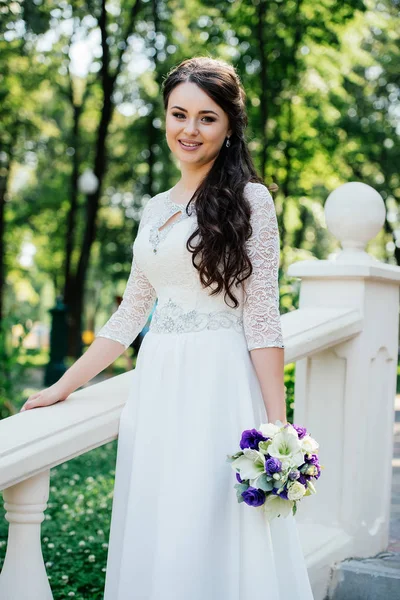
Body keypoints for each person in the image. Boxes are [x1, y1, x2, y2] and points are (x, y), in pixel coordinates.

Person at [20, 57, 314, 599]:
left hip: (218, 382)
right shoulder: (155, 208)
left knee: (211, 518)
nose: (190, 129)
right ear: (165, 118)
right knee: (162, 514)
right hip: (158, 384)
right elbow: (130, 312)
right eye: (179, 114)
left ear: (229, 126)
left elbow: (262, 317)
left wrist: (279, 428)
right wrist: (63, 386)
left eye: (207, 118)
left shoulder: (252, 201)